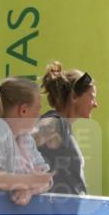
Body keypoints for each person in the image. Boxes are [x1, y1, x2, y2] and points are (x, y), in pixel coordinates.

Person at [33, 61, 98, 195]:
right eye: (92, 97)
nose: (95, 104)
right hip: (57, 212)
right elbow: (26, 138)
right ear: (74, 96)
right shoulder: (57, 122)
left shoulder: (63, 126)